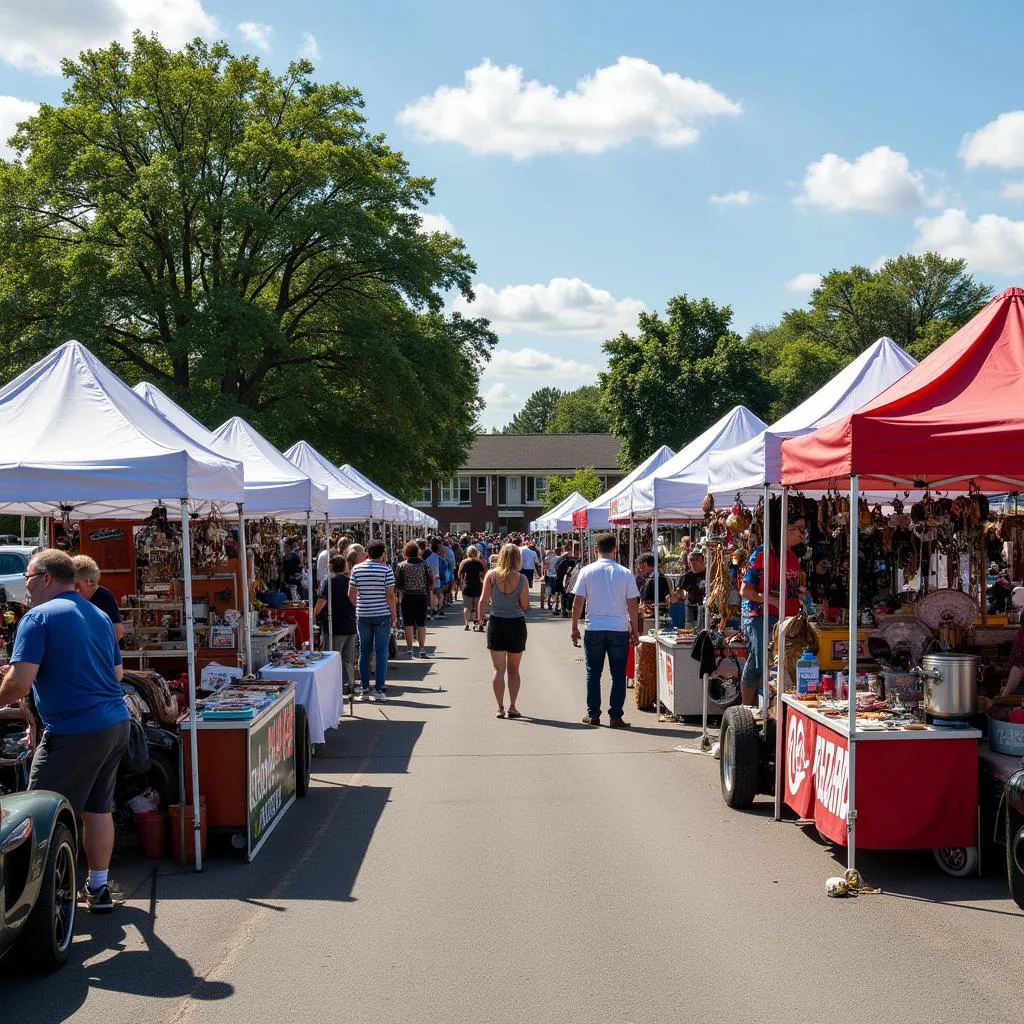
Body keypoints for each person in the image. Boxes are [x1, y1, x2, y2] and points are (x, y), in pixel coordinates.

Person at [0, 549, 128, 913]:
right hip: (114, 723)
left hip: (77, 729)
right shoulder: (100, 615)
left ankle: (36, 903)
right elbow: (116, 674)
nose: (24, 587)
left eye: (26, 578)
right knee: (97, 809)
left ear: (45, 578)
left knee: (36, 811)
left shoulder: (38, 617)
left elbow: (20, 682)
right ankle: (98, 889)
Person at [570, 533, 640, 727]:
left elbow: (578, 603)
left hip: (594, 627)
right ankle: (615, 715)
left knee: (593, 672)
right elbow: (633, 604)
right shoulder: (625, 573)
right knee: (618, 674)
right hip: (618, 628)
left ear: (595, 550)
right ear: (615, 549)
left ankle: (593, 714)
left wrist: (574, 627)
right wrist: (634, 629)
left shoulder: (586, 571)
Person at [739, 510, 807, 708]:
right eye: (799, 528)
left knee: (784, 663)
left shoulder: (793, 558)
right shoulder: (761, 553)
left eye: (804, 529)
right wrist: (772, 601)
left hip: (785, 617)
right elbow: (745, 590)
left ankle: (774, 707)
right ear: (786, 529)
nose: (803, 533)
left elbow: (791, 593)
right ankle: (746, 708)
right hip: (758, 615)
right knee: (760, 661)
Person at [477, 543, 529, 719]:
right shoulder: (522, 579)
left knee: (498, 669)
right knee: (514, 669)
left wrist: (479, 620)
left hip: (496, 623)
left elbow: (483, 600)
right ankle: (513, 706)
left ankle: (500, 707)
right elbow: (525, 605)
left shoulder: (491, 575)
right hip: (516, 624)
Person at [348, 541, 398, 702]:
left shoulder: (357, 569)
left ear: (367, 552)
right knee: (381, 651)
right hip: (382, 614)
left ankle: (363, 688)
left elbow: (351, 593)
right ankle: (379, 689)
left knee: (364, 650)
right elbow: (390, 595)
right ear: (383, 553)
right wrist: (394, 612)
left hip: (363, 614)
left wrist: (360, 605)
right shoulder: (386, 570)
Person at [313, 554, 357, 692]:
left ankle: (334, 685)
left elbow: (322, 601)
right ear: (344, 566)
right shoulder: (350, 581)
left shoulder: (329, 581)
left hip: (335, 625)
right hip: (350, 624)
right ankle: (349, 684)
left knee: (332, 657)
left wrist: (313, 614)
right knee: (348, 659)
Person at [72, 554, 125, 641]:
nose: (72, 589)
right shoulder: (75, 598)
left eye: (76, 585)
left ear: (90, 582)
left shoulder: (104, 597)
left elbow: (117, 631)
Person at [395, 540, 432, 657]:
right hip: (422, 596)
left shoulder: (401, 566)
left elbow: (398, 584)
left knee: (408, 623)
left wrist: (403, 591)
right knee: (421, 623)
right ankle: (421, 649)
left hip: (407, 597)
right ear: (417, 552)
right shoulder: (425, 564)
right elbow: (430, 581)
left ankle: (410, 649)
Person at [676, 549, 707, 627]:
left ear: (702, 560)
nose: (693, 563)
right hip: (691, 611)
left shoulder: (710, 573)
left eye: (695, 559)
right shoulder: (686, 576)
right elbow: (679, 593)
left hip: (707, 610)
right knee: (691, 632)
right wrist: (681, 594)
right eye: (691, 560)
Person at [459, 546, 487, 631]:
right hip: (477, 586)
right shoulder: (479, 563)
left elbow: (460, 574)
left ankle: (467, 623)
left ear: (467, 553)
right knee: (477, 606)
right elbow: (483, 574)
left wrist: (461, 581)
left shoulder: (465, 562)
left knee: (467, 606)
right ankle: (478, 622)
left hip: (467, 586)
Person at [556, 543, 581, 618]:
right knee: (565, 595)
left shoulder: (564, 559)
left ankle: (564, 611)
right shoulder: (567, 560)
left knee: (564, 595)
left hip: (563, 579)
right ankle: (565, 611)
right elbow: (567, 571)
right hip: (565, 579)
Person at [425, 539, 444, 618]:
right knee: (438, 596)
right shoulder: (436, 557)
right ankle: (435, 611)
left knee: (432, 596)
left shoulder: (428, 557)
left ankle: (431, 611)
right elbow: (437, 570)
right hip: (435, 580)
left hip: (429, 579)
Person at [543, 545, 562, 613]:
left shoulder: (549, 557)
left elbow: (545, 566)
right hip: (554, 575)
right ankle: (552, 604)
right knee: (554, 590)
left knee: (550, 589)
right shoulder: (559, 558)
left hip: (550, 575)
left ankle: (549, 603)